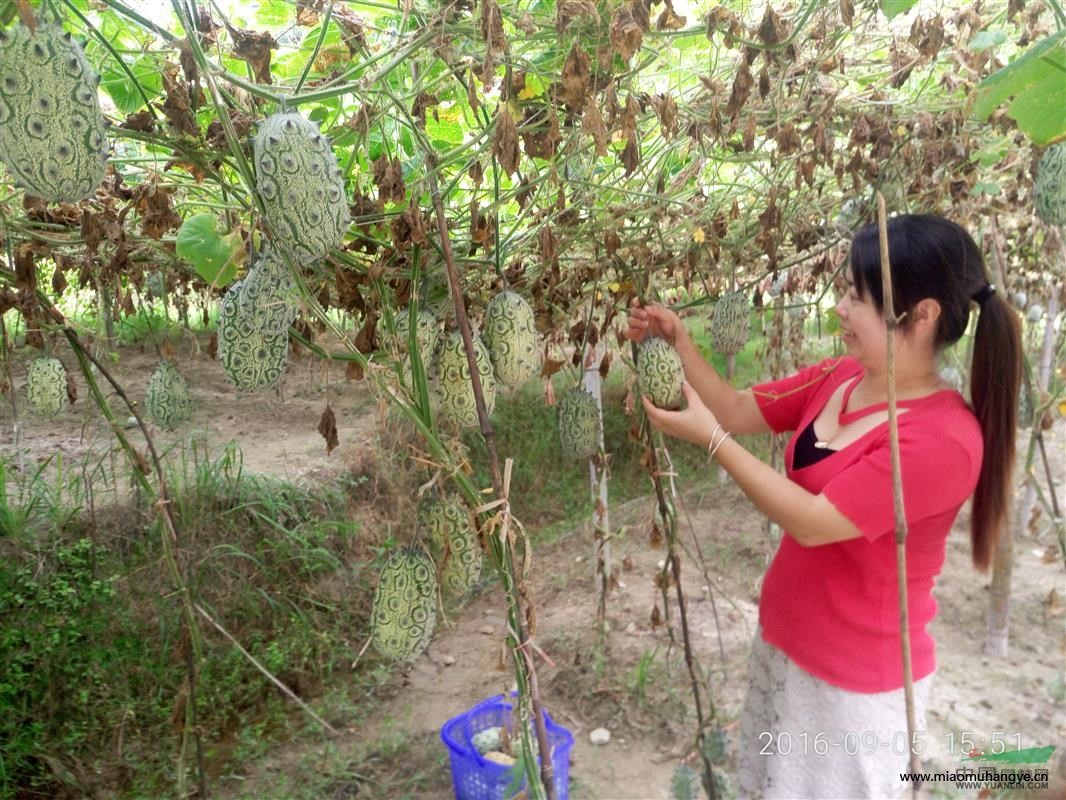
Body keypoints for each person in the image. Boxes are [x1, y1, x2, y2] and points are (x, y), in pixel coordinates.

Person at [624, 214, 1022, 799]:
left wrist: (711, 442)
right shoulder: (841, 377)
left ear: (923, 314)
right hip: (785, 647)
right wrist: (677, 341)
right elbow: (736, 408)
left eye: (856, 297)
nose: (839, 307)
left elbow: (813, 525)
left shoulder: (944, 439)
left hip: (854, 688)